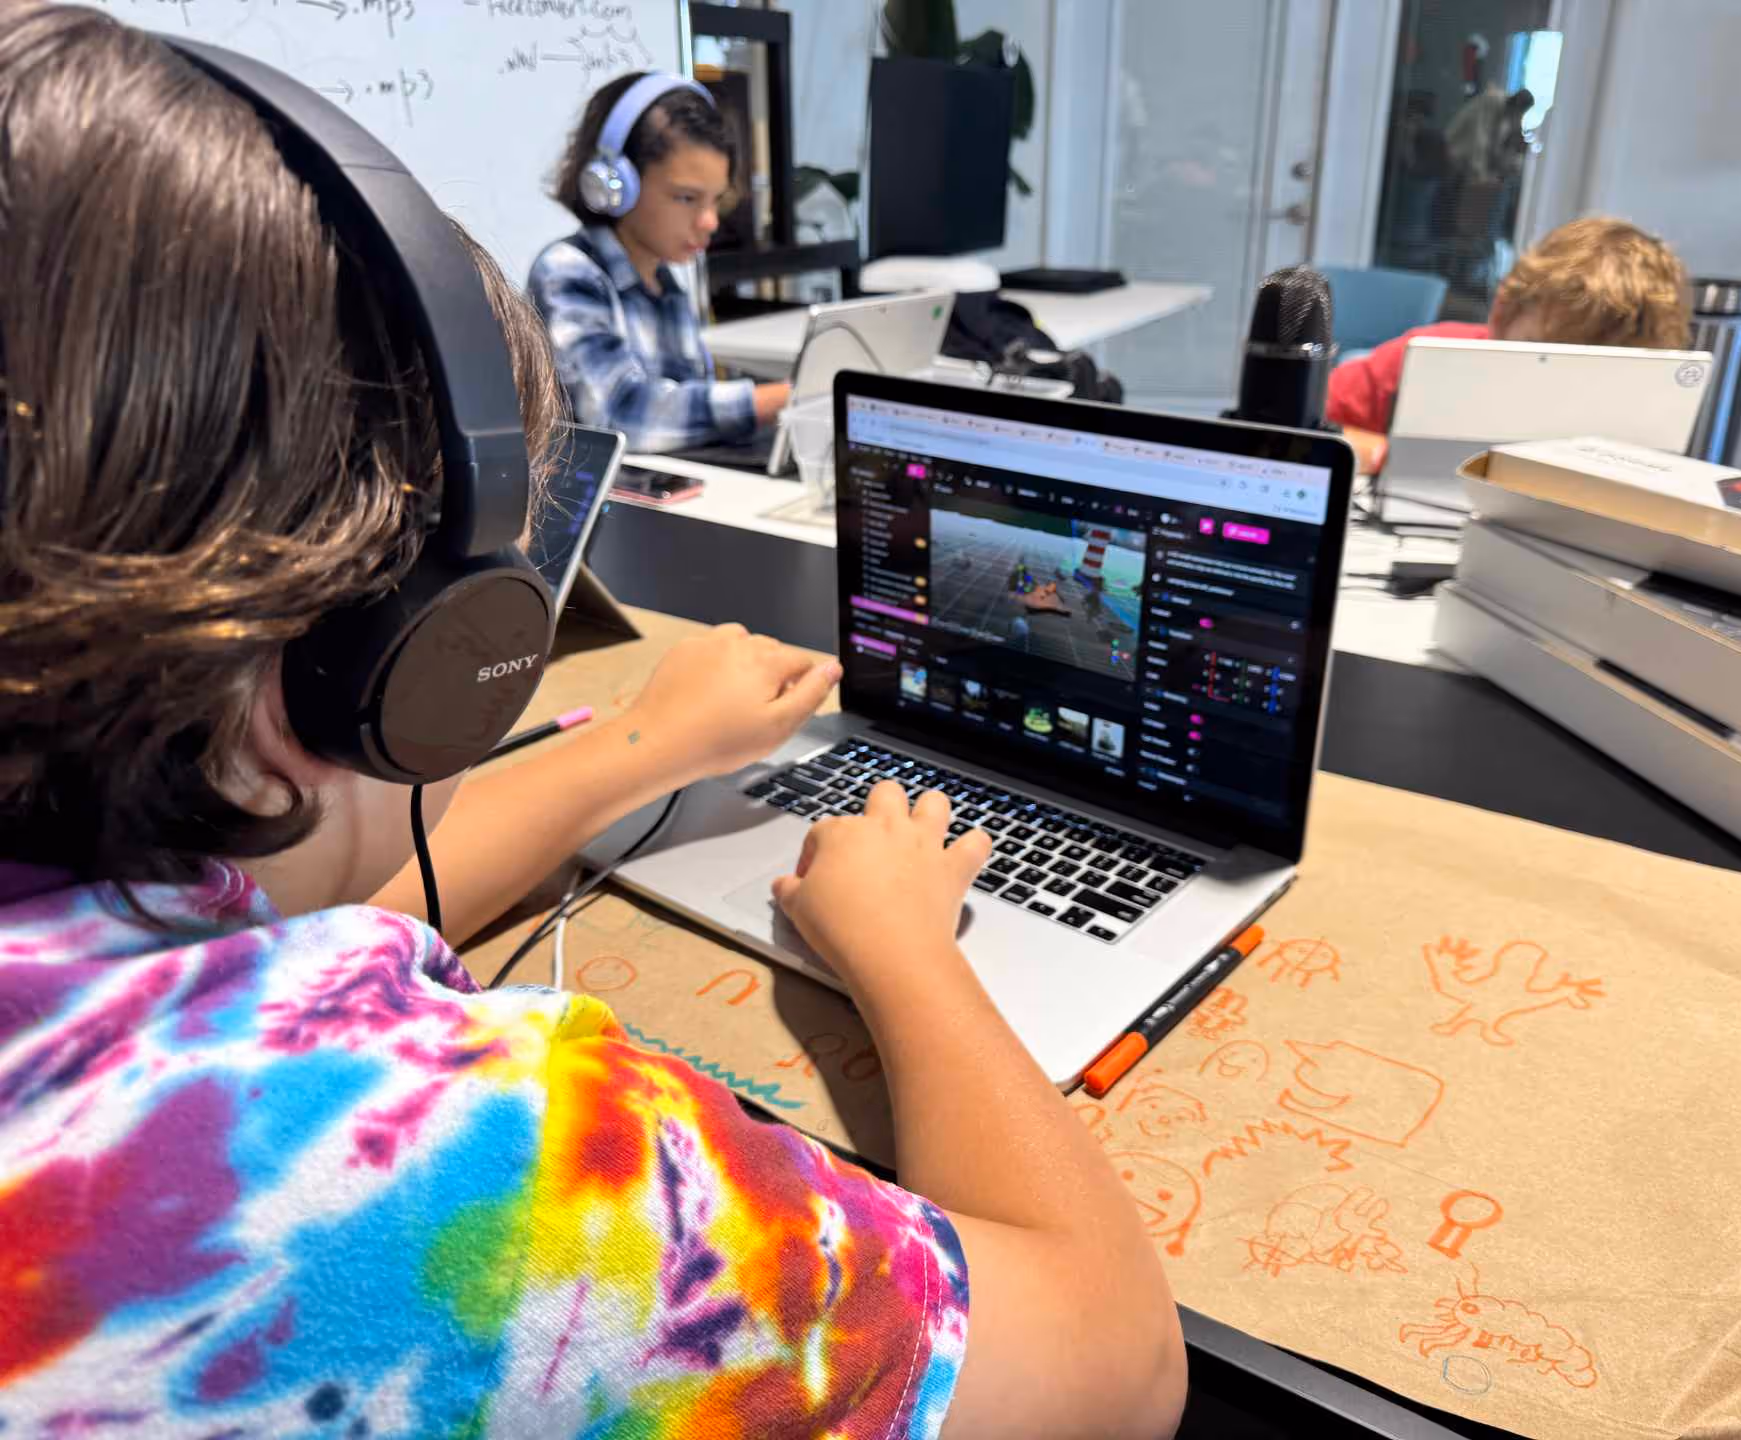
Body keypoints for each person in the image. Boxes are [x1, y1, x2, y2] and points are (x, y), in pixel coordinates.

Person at [0, 11, 1187, 1439]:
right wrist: (904, 948)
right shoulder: (444, 1164)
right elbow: (1120, 1367)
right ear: (387, 665)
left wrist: (648, 742)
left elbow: (286, 911)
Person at [527, 72, 792, 454]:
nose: (710, 222)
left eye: (715, 200)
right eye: (686, 198)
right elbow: (620, 414)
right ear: (614, 186)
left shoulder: (665, 282)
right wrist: (777, 399)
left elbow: (682, 406)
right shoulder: (567, 272)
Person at [1327, 216, 1691, 472]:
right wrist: (1389, 457)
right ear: (1503, 312)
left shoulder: (1652, 404)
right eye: (1544, 358)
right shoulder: (1434, 355)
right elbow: (1306, 423)